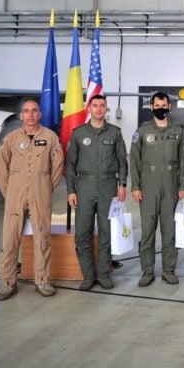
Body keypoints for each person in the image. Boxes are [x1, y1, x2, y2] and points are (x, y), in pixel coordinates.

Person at [0, 98, 64, 300]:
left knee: (42, 239)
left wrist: (44, 187)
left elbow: (57, 165)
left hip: (40, 194)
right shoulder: (12, 139)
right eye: (26, 111)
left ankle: (42, 281)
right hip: (15, 194)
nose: (31, 114)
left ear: (40, 114)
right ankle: (8, 283)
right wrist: (9, 191)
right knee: (10, 240)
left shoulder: (50, 137)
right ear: (21, 116)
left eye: (34, 111)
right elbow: (1, 167)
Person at [66, 94, 127, 291]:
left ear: (106, 109)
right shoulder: (78, 134)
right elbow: (70, 165)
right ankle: (88, 275)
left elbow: (122, 162)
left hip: (108, 186)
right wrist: (70, 190)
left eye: (102, 106)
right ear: (89, 109)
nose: (99, 109)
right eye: (95, 106)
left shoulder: (115, 133)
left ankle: (103, 274)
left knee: (106, 232)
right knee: (83, 232)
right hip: (84, 187)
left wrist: (122, 184)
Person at [130, 91, 184, 286]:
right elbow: (134, 160)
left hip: (171, 185)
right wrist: (136, 186)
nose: (161, 109)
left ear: (169, 107)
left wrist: (183, 186)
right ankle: (147, 271)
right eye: (157, 106)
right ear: (152, 107)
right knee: (147, 230)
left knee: (169, 229)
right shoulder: (143, 131)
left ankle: (168, 270)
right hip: (149, 184)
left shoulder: (178, 131)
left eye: (164, 106)